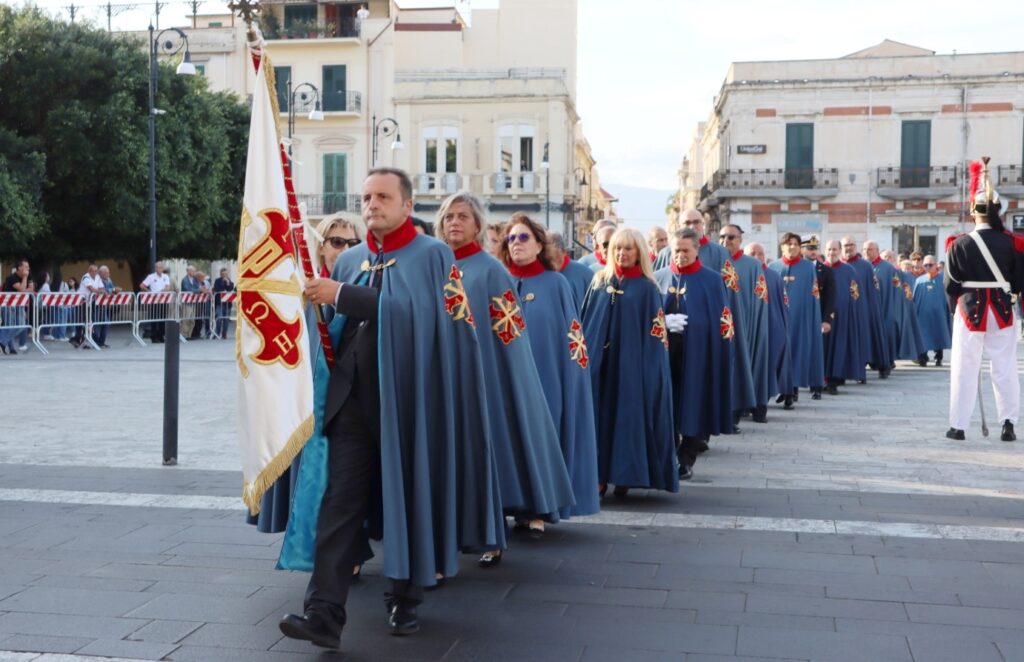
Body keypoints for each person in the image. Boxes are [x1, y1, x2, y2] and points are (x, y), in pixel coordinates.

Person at [279, 168, 503, 647]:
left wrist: (342, 295)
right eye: (365, 197)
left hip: (407, 404)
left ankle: (403, 597)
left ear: (406, 204)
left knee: (409, 496)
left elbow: (424, 319)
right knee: (338, 505)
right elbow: (334, 328)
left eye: (382, 196)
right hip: (351, 404)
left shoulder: (433, 256)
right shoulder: (351, 259)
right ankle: (323, 612)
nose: (371, 204)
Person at [436, 193, 575, 565]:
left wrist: (504, 373)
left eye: (463, 216)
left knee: (489, 449)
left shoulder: (491, 270)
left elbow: (509, 331)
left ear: (478, 225)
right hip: (440, 374)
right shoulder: (433, 264)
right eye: (448, 216)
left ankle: (492, 533)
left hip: (484, 373)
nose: (454, 223)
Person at [498, 213, 599, 520]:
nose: (516, 243)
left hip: (546, 378)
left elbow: (572, 336)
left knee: (543, 439)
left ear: (540, 245)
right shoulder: (498, 280)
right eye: (511, 238)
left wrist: (573, 379)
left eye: (524, 237)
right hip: (504, 379)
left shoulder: (555, 284)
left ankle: (538, 510)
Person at [582, 228, 677, 498]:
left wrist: (649, 369)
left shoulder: (647, 288)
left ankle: (625, 475)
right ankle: (598, 477)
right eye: (617, 249)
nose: (622, 254)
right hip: (601, 366)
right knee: (598, 419)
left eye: (628, 249)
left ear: (639, 253)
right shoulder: (599, 281)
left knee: (627, 419)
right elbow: (587, 322)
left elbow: (656, 334)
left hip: (632, 367)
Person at [944, 163, 1021, 441]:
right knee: (1005, 367)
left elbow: (951, 284)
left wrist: (955, 310)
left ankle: (958, 426)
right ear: (998, 211)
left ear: (973, 212)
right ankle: (1008, 424)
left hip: (969, 310)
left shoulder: (959, 244)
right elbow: (1020, 282)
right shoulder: (1013, 242)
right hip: (1001, 309)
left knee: (964, 369)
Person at [656, 229, 734, 480]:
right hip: (664, 353)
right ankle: (665, 452)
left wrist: (695, 325)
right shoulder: (658, 278)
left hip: (698, 353)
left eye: (685, 250)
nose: (680, 255)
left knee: (693, 401)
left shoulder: (711, 280)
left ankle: (686, 458)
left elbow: (722, 322)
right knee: (666, 402)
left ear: (696, 250)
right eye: (676, 250)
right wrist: (663, 323)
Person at [720, 224, 770, 422]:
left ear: (740, 240)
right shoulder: (715, 261)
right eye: (723, 236)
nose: (726, 240)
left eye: (731, 237)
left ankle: (737, 410)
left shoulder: (752, 265)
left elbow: (760, 300)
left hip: (745, 326)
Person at [769, 233, 825, 404]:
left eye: (795, 244)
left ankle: (792, 391)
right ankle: (781, 389)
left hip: (800, 319)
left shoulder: (808, 267)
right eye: (788, 244)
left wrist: (811, 320)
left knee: (796, 354)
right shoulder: (773, 267)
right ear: (782, 247)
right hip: (778, 319)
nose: (792, 247)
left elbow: (814, 295)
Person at [746, 242, 792, 409]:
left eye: (760, 254)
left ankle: (762, 402)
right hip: (748, 330)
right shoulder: (741, 274)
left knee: (768, 365)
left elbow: (784, 305)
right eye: (752, 254)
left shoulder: (774, 277)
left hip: (772, 328)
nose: (757, 257)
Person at [841, 236, 891, 379]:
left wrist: (872, 309)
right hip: (844, 311)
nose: (848, 248)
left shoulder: (865, 266)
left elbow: (873, 289)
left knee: (868, 338)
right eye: (845, 245)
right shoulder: (837, 266)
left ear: (855, 247)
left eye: (851, 245)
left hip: (863, 309)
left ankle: (881, 365)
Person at [822, 240, 866, 390]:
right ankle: (821, 379)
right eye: (829, 249)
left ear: (839, 251)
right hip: (822, 317)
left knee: (839, 348)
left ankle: (835, 379)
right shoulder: (819, 269)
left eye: (835, 249)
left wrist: (853, 315)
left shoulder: (849, 270)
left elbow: (855, 295)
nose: (832, 252)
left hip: (843, 317)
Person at [865, 240, 901, 371]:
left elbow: (897, 288)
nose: (866, 252)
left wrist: (893, 308)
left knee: (885, 336)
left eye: (869, 249)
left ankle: (885, 363)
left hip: (885, 308)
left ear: (876, 250)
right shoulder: (863, 266)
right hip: (867, 309)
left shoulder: (889, 268)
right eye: (864, 249)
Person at [914, 255, 951, 367]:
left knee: (938, 333)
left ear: (936, 266)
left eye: (930, 265)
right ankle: (922, 357)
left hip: (939, 314)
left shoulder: (943, 280)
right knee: (922, 335)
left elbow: (947, 297)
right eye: (925, 265)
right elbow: (915, 297)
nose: (928, 267)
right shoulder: (919, 280)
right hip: (923, 315)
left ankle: (938, 357)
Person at [549, 231, 594, 310]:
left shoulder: (585, 274)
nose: (551, 264)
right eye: (547, 259)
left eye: (555, 258)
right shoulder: (539, 277)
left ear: (564, 252)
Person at [0, 259, 33, 354]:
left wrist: (26, 278)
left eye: (28, 266)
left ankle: (2, 342)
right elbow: (23, 290)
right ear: (19, 268)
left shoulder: (28, 274)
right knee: (9, 326)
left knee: (21, 325)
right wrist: (25, 277)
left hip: (20, 304)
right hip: (8, 304)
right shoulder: (12, 277)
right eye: (26, 266)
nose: (28, 268)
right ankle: (11, 348)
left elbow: (31, 289)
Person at [139, 261, 171, 343]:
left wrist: (165, 290)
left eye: (160, 267)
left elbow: (168, 286)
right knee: (154, 319)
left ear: (163, 268)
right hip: (154, 300)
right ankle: (154, 337)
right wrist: (149, 291)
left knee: (162, 319)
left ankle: (161, 336)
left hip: (163, 300)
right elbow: (142, 285)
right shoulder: (151, 276)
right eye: (157, 267)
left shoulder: (166, 276)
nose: (158, 269)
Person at [76, 264, 105, 349]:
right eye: (93, 271)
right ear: (89, 271)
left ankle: (87, 340)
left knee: (90, 321)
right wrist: (100, 291)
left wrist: (100, 291)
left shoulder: (98, 277)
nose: (95, 273)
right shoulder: (86, 277)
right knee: (82, 321)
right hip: (82, 301)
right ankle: (79, 339)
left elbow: (102, 288)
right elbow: (91, 289)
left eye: (96, 271)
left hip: (91, 301)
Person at [212, 268, 236, 340]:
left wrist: (228, 283)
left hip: (227, 304)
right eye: (223, 274)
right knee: (219, 318)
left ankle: (224, 333)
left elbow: (230, 290)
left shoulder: (230, 282)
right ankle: (218, 333)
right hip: (219, 303)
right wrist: (223, 284)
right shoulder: (217, 281)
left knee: (226, 319)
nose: (224, 275)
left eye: (226, 274)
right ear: (220, 274)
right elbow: (217, 289)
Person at [180, 265, 200, 339]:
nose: (194, 272)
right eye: (192, 271)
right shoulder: (185, 280)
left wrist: (199, 289)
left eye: (194, 271)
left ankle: (189, 335)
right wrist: (198, 290)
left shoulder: (194, 280)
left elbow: (197, 287)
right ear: (188, 271)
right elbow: (187, 289)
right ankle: (183, 335)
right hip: (187, 302)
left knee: (192, 320)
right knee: (186, 319)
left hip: (193, 302)